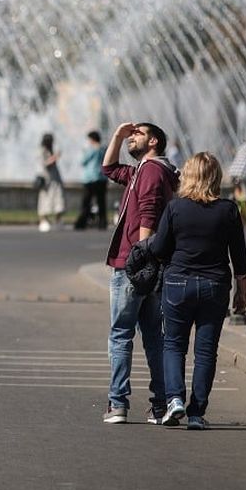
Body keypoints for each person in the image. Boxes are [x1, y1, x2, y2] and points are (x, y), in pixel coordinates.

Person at [146, 153, 246, 431]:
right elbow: (239, 256)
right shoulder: (228, 209)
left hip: (178, 283)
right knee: (206, 352)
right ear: (215, 177)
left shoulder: (175, 208)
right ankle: (196, 413)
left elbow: (158, 249)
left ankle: (175, 399)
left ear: (188, 176)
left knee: (174, 345)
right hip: (215, 285)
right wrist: (242, 292)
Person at [101, 121, 178, 424]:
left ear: (154, 141)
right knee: (153, 338)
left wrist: (139, 257)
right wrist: (117, 136)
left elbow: (148, 213)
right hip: (149, 265)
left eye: (137, 134)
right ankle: (160, 404)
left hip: (133, 266)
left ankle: (117, 402)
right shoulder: (145, 171)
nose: (132, 137)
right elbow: (108, 170)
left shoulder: (150, 171)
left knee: (121, 334)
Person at [74, 130, 107, 231]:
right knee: (101, 201)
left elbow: (83, 161)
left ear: (92, 139)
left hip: (90, 178)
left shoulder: (91, 149)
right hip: (101, 177)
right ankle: (102, 222)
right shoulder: (104, 148)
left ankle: (82, 222)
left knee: (86, 202)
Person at [37, 133, 65, 232]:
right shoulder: (42, 151)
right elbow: (44, 164)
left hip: (55, 179)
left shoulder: (50, 150)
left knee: (58, 199)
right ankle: (43, 220)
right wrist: (55, 157)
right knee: (44, 200)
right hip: (47, 180)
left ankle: (58, 220)